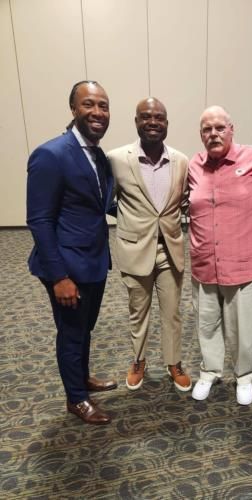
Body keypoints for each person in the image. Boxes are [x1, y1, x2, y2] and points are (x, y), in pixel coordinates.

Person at [27, 80, 117, 425]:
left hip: (94, 260)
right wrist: (59, 276)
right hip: (66, 265)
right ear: (73, 109)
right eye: (89, 105)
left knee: (85, 328)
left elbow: (100, 205)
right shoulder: (51, 154)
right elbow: (39, 219)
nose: (98, 112)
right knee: (71, 331)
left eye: (104, 106)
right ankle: (76, 398)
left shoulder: (97, 155)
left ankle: (81, 379)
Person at [189, 106, 252, 405]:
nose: (213, 134)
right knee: (207, 323)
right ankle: (210, 371)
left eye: (219, 127)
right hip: (204, 263)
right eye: (206, 129)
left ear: (231, 128)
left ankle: (244, 376)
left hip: (243, 264)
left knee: (243, 328)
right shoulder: (194, 166)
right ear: (200, 134)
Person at [107, 97, 192, 392]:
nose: (152, 122)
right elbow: (107, 200)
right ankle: (138, 360)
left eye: (158, 117)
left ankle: (173, 362)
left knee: (172, 312)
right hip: (134, 248)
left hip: (170, 248)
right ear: (136, 121)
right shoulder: (117, 158)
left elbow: (184, 201)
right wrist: (133, 222)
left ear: (166, 124)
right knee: (138, 311)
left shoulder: (181, 160)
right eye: (145, 117)